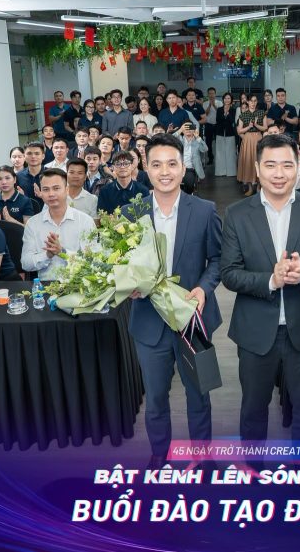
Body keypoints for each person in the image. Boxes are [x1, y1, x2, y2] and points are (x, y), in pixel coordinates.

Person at [220, 133, 300, 444]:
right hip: (255, 330)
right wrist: (271, 281)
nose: (279, 174)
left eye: (287, 165)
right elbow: (229, 274)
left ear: (299, 165)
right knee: (253, 410)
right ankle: (253, 467)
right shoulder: (237, 214)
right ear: (257, 168)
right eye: (271, 165)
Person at [126, 133, 223, 469]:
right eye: (156, 165)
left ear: (183, 168)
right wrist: (129, 285)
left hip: (192, 319)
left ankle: (203, 458)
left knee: (199, 394)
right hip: (148, 321)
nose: (164, 172)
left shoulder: (205, 210)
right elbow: (122, 262)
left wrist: (204, 288)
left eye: (172, 164)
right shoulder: (132, 213)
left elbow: (217, 260)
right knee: (155, 399)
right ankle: (159, 455)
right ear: (146, 168)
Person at [20, 168, 97, 280]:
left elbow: (93, 260)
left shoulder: (85, 221)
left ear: (66, 190)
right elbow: (26, 264)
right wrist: (47, 255)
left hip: (78, 284)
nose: (51, 194)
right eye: (46, 189)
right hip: (45, 285)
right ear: (41, 192)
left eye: (56, 188)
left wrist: (62, 252)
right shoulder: (33, 223)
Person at [236, 94, 268, 196]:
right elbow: (239, 131)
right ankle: (250, 187)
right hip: (247, 139)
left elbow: (265, 128)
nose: (253, 103)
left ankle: (259, 187)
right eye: (251, 101)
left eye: (255, 101)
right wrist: (249, 127)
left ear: (257, 102)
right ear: (248, 102)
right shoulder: (243, 115)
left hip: (259, 138)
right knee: (248, 162)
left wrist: (256, 125)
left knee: (259, 161)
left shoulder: (261, 113)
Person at [210, 93, 238, 179]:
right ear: (223, 100)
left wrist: (227, 114)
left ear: (231, 100)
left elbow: (233, 121)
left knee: (230, 152)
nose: (227, 100)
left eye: (228, 98)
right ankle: (220, 171)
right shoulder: (219, 109)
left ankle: (231, 172)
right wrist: (224, 114)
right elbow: (218, 120)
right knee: (220, 152)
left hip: (230, 132)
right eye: (225, 98)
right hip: (220, 132)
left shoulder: (234, 110)